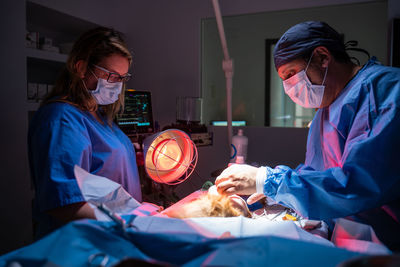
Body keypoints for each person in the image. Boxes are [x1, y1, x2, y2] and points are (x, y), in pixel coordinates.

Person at [215, 21, 400, 251]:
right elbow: (317, 173)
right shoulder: (326, 108)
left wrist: (267, 180)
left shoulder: (385, 91)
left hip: (388, 246)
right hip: (346, 242)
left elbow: (357, 184)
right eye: (283, 80)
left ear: (322, 57)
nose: (289, 88)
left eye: (291, 74)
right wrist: (275, 194)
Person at [28, 27, 142, 239]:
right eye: (111, 76)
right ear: (81, 68)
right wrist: (133, 221)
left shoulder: (98, 115)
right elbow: (64, 204)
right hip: (83, 244)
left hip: (116, 237)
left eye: (122, 78)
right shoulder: (62, 119)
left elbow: (106, 163)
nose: (117, 85)